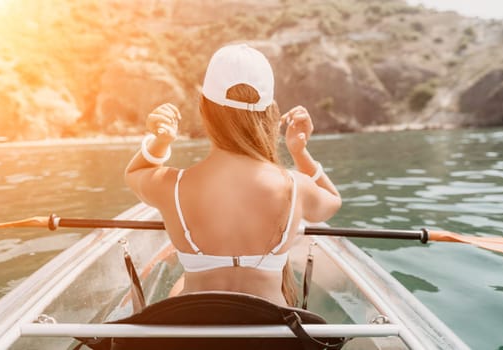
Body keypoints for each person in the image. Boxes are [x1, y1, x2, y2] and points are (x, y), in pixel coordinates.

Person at [125, 43, 341, 307]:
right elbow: (332, 200)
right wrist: (299, 151)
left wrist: (159, 141)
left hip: (194, 332)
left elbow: (136, 172)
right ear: (270, 114)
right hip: (270, 337)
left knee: (182, 284)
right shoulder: (296, 187)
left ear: (204, 108)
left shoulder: (173, 185)